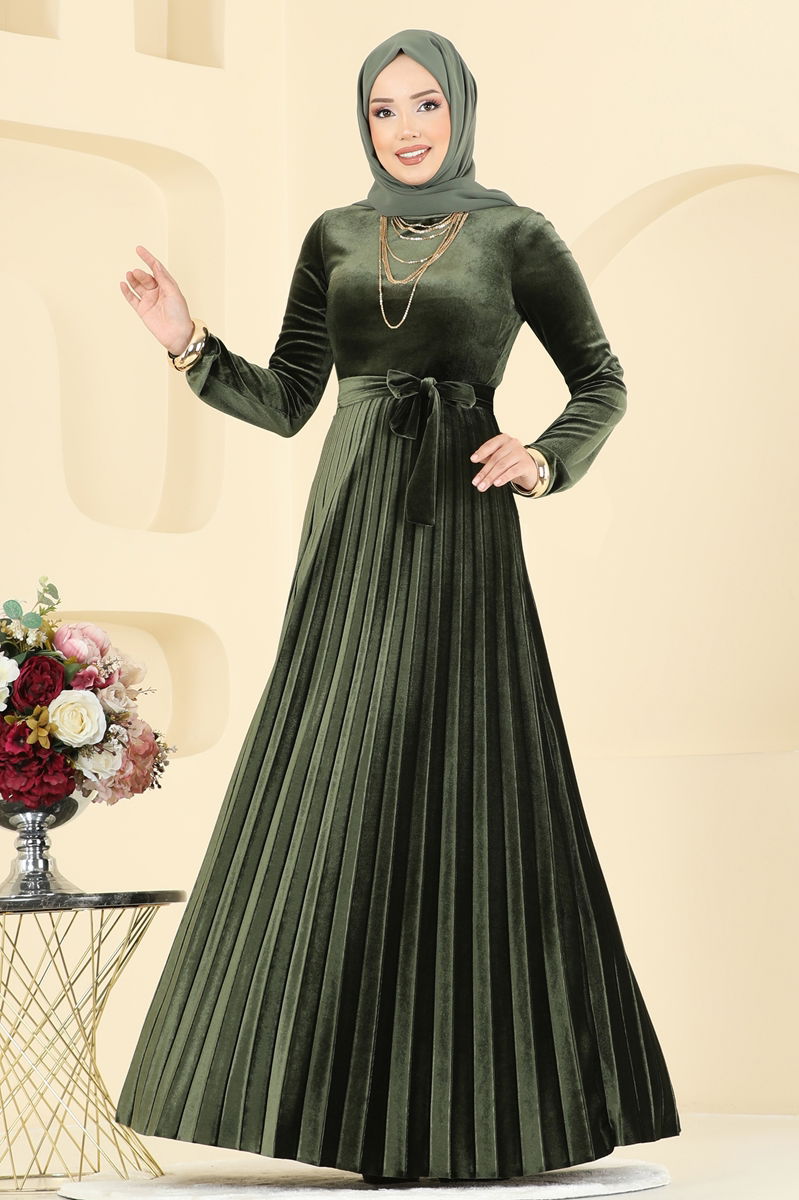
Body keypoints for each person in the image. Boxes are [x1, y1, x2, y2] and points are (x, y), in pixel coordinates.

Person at [114, 28, 681, 1186]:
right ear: (363, 122)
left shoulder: (517, 235)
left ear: (459, 109)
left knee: (462, 775)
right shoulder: (334, 234)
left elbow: (601, 380)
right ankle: (335, 1108)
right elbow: (287, 399)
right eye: (383, 109)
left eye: (425, 104)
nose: (406, 128)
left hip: (457, 522)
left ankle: (475, 1110)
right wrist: (185, 344)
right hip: (351, 524)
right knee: (339, 770)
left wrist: (544, 457)